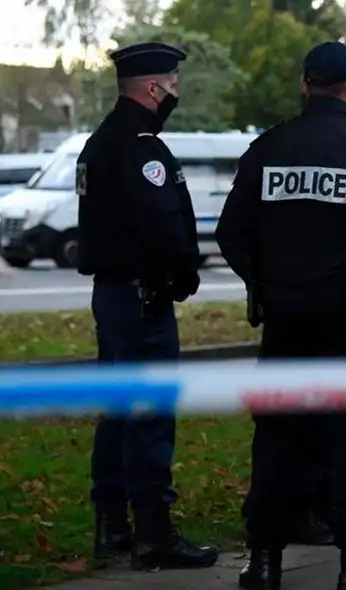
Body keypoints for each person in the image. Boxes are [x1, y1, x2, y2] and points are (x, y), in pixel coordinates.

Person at [216, 41, 346, 590]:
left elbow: (230, 234)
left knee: (278, 441)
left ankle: (263, 562)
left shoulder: (267, 150)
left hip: (284, 325)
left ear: (305, 85)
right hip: (345, 325)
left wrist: (266, 286)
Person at [77, 41, 218, 572]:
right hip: (142, 299)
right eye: (173, 84)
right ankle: (154, 535)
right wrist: (184, 273)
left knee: (116, 410)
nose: (175, 93)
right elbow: (161, 225)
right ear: (153, 88)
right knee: (149, 414)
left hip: (113, 297)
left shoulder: (99, 142)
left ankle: (112, 524)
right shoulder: (140, 148)